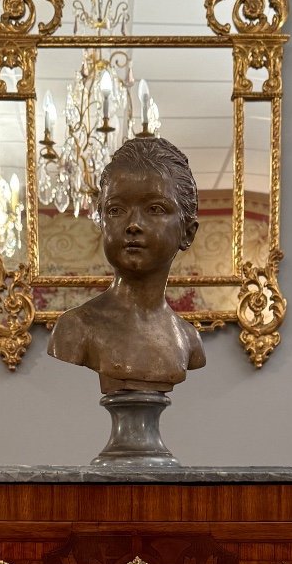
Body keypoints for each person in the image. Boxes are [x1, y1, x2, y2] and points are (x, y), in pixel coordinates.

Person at [48, 137, 206, 394]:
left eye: (155, 208)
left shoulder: (188, 340)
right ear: (102, 224)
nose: (133, 224)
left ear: (187, 232)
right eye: (116, 210)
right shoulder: (77, 328)